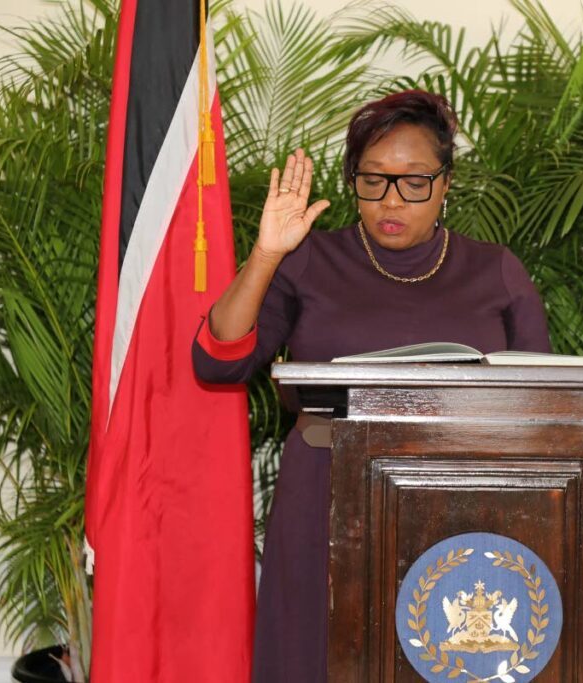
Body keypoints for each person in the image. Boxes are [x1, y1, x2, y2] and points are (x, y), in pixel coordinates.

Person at [191, 90, 551, 682]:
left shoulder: (496, 271)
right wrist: (265, 253)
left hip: (460, 506)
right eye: (372, 180)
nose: (390, 200)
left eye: (412, 182)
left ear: (445, 183)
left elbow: (542, 410)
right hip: (326, 497)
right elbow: (218, 360)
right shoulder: (309, 260)